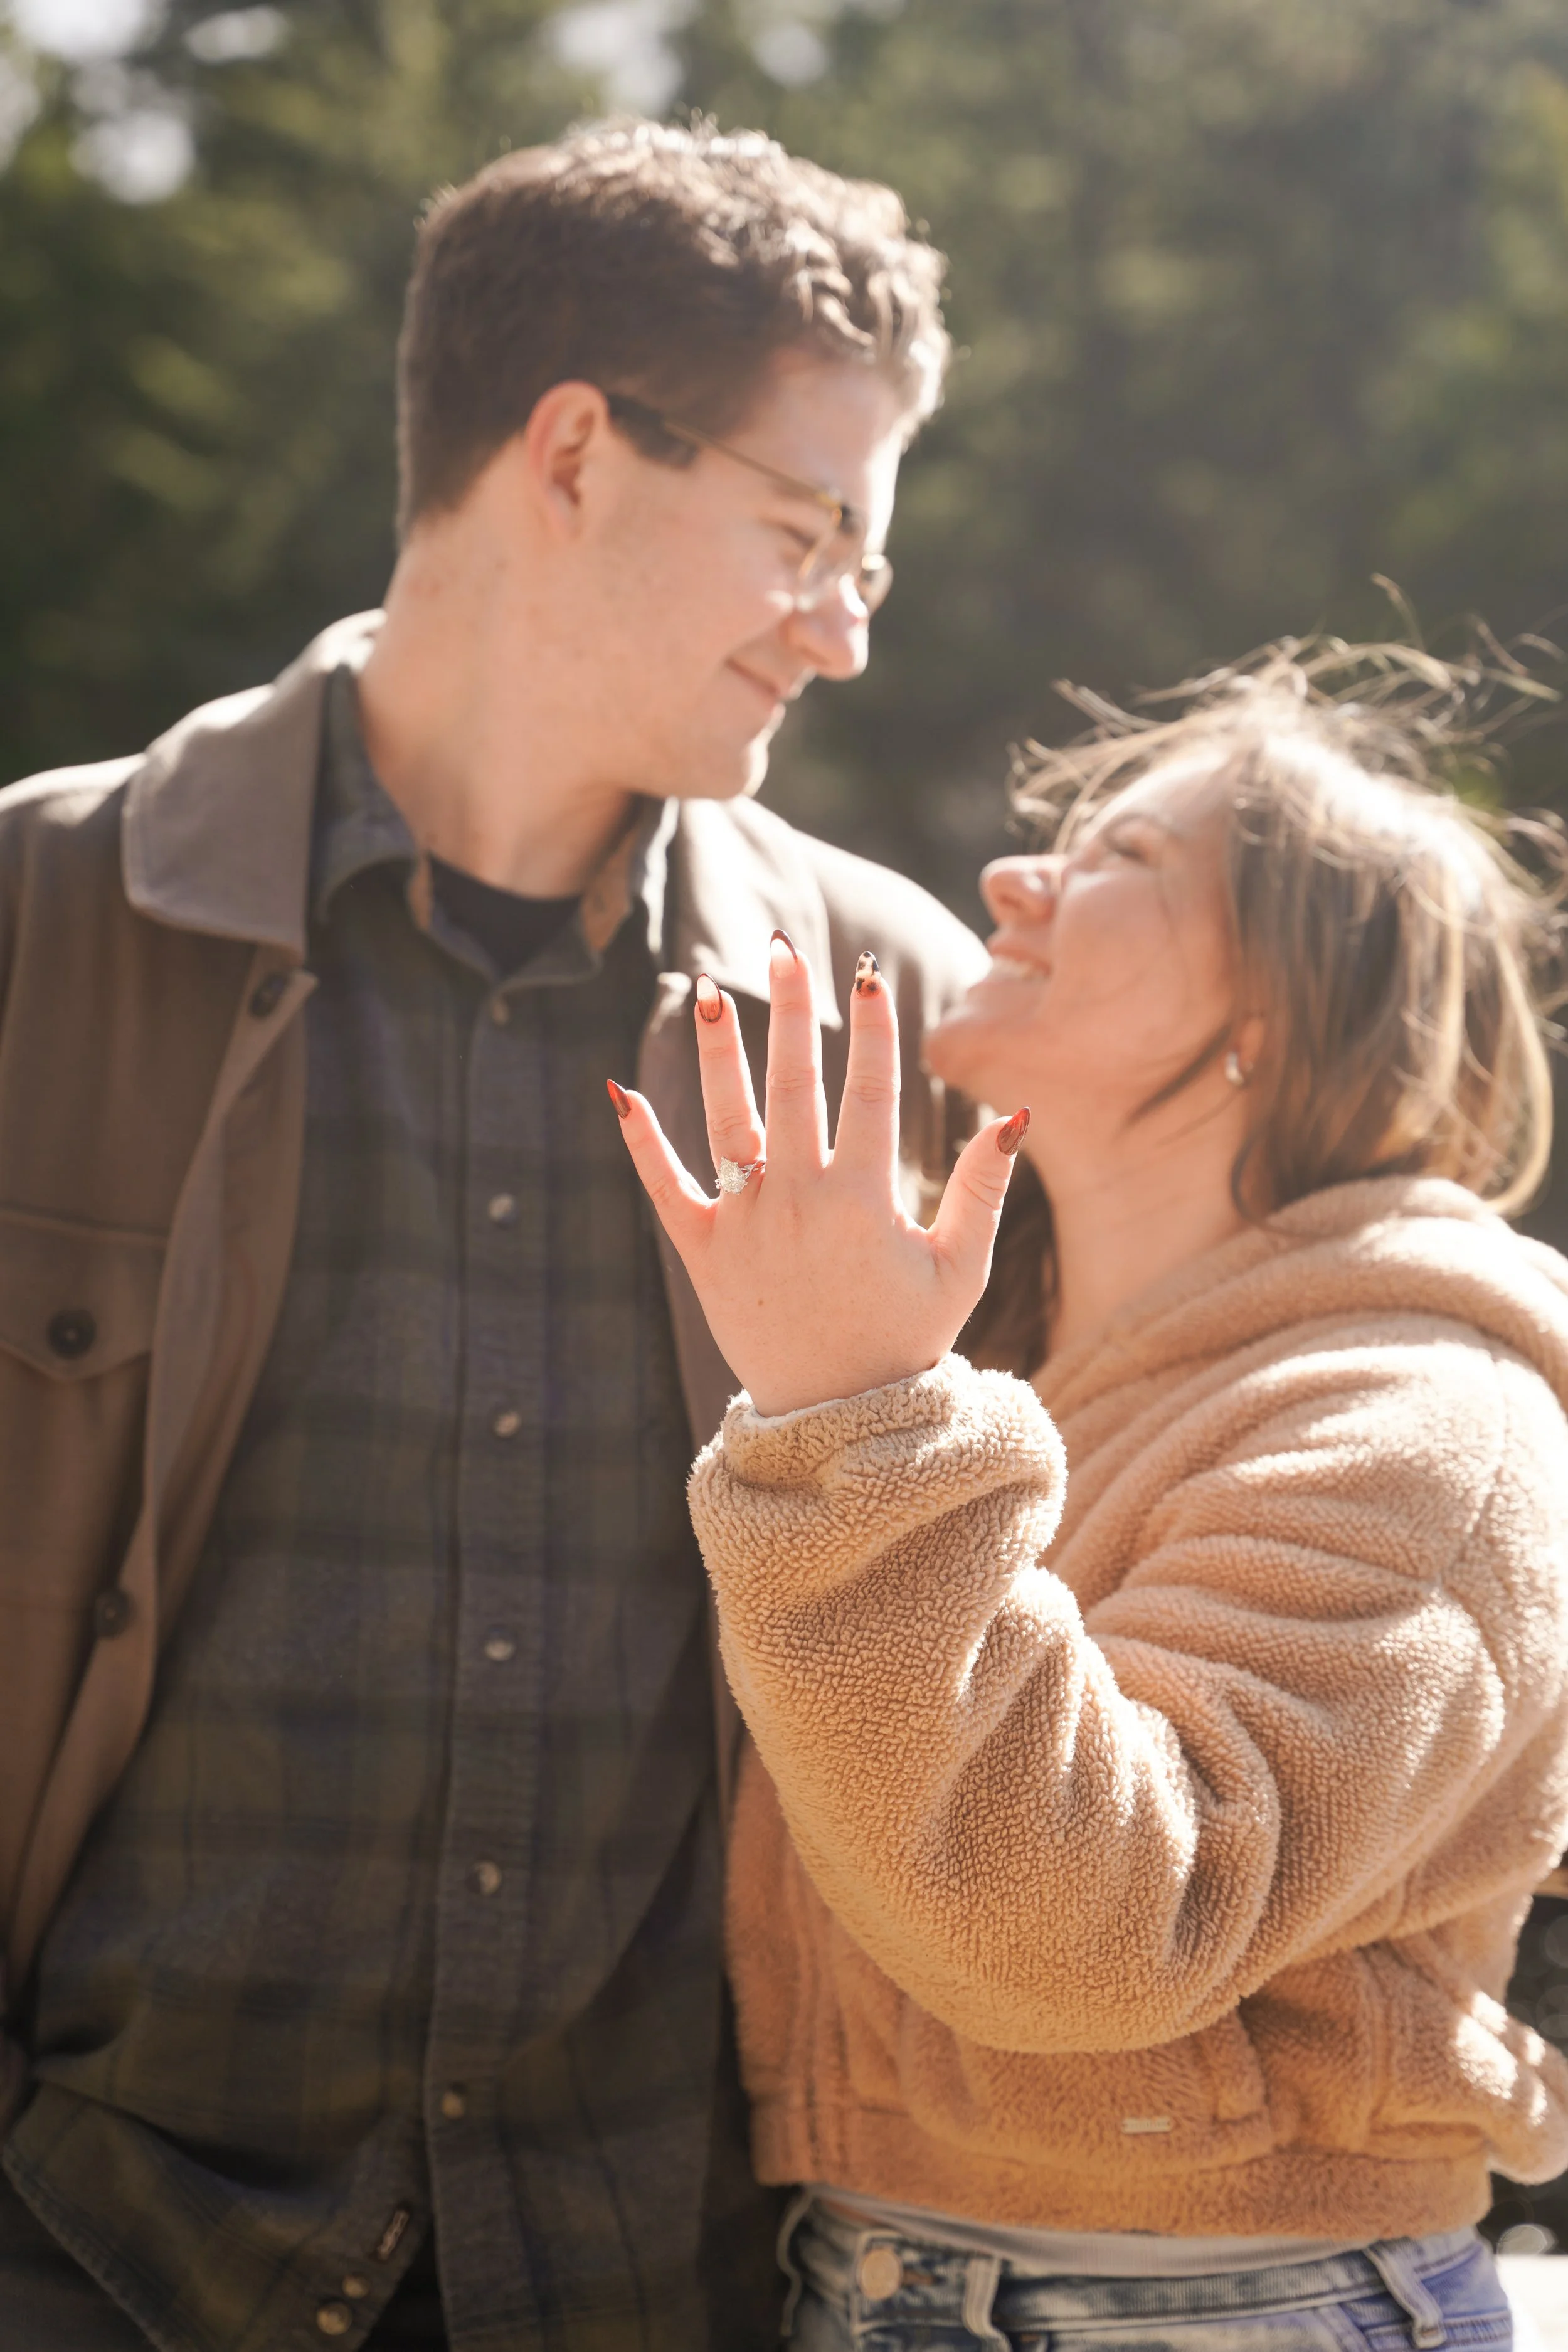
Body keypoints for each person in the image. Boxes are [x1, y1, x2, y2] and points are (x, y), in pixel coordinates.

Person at [0, 120, 990, 2351]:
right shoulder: (30, 929)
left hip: (665, 2286)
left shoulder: (896, 1013)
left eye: (871, 562)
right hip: (84, 2265)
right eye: (808, 530)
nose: (842, 628)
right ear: (568, 450)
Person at [613, 644, 1568, 2348]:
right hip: (882, 2275)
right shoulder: (1013, 1352)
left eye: (1122, 856)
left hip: (1221, 2310)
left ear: (1277, 1006)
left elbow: (1091, 1935)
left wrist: (853, 1409)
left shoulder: (1426, 1419)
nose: (1007, 874)